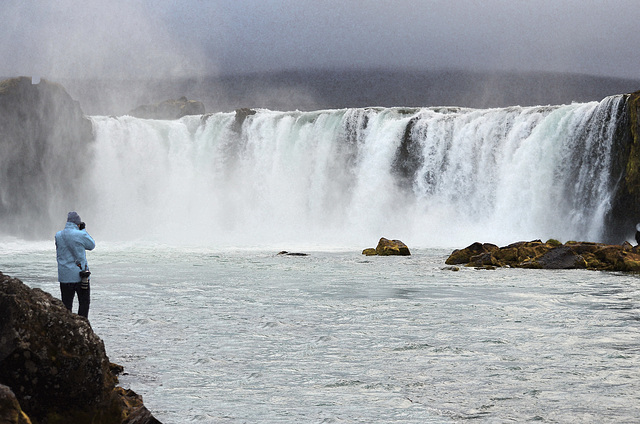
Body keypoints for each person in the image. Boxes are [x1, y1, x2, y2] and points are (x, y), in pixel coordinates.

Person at [55, 211, 95, 318]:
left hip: (64, 277)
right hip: (80, 276)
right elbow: (91, 245)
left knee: (66, 306)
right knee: (84, 304)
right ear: (78, 223)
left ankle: (67, 328)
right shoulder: (81, 234)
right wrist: (83, 230)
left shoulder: (58, 235)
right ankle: (81, 326)